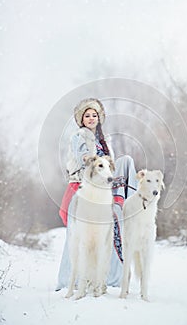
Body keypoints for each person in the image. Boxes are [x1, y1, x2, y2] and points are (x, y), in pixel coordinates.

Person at [56, 98, 137, 291]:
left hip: (103, 188)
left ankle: (125, 201)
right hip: (82, 186)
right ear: (81, 119)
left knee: (127, 161)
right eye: (87, 115)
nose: (91, 118)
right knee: (77, 235)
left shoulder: (104, 140)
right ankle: (70, 280)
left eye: (94, 115)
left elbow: (112, 165)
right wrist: (90, 158)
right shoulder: (78, 136)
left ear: (99, 118)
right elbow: (81, 156)